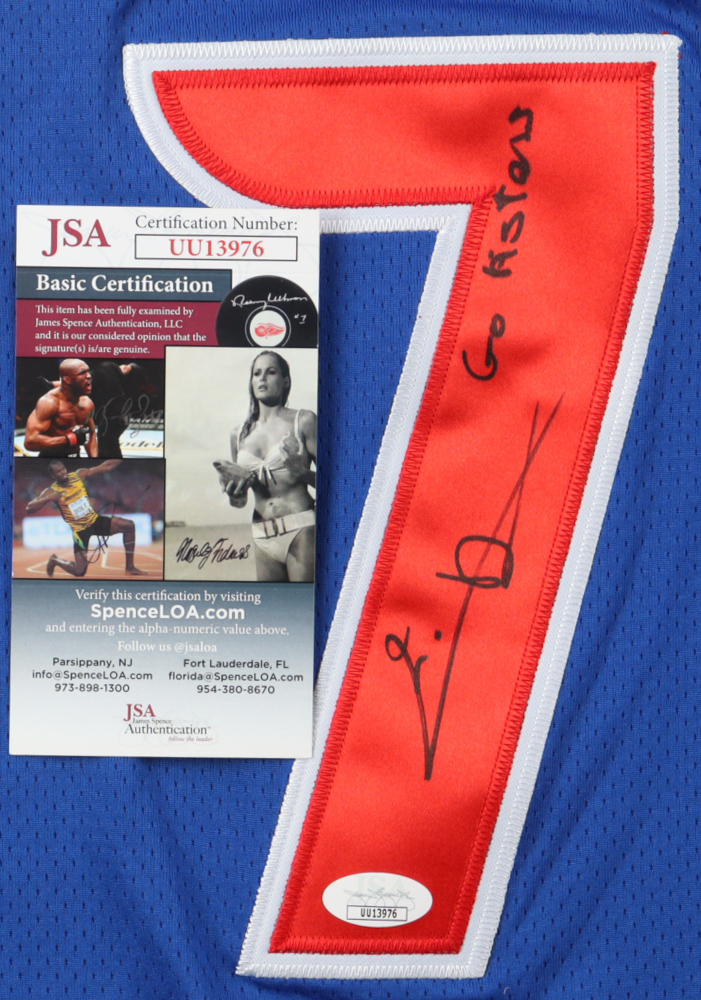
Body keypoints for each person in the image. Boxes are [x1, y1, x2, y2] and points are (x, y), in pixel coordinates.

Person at [215, 351, 317, 582]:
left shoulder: (304, 421)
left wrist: (303, 473)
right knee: (270, 604)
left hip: (301, 529)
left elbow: (337, 486)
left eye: (271, 372)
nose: (262, 378)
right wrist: (235, 496)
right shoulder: (238, 434)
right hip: (262, 536)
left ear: (285, 381)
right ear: (251, 381)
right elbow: (241, 502)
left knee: (298, 603)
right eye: (257, 373)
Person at [25, 459, 146, 577]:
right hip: (80, 531)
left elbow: (106, 466)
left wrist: (124, 455)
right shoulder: (51, 491)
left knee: (129, 525)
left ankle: (130, 567)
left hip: (94, 521)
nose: (62, 472)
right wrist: (49, 498)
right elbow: (29, 509)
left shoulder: (78, 476)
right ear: (53, 476)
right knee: (79, 572)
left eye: (63, 469)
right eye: (58, 471)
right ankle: (55, 560)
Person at [24, 358, 97, 457]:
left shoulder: (87, 403)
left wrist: (94, 459)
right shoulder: (49, 403)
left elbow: (91, 433)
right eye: (82, 373)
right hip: (51, 459)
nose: (89, 376)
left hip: (75, 457)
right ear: (67, 379)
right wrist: (70, 438)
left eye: (88, 371)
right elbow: (30, 442)